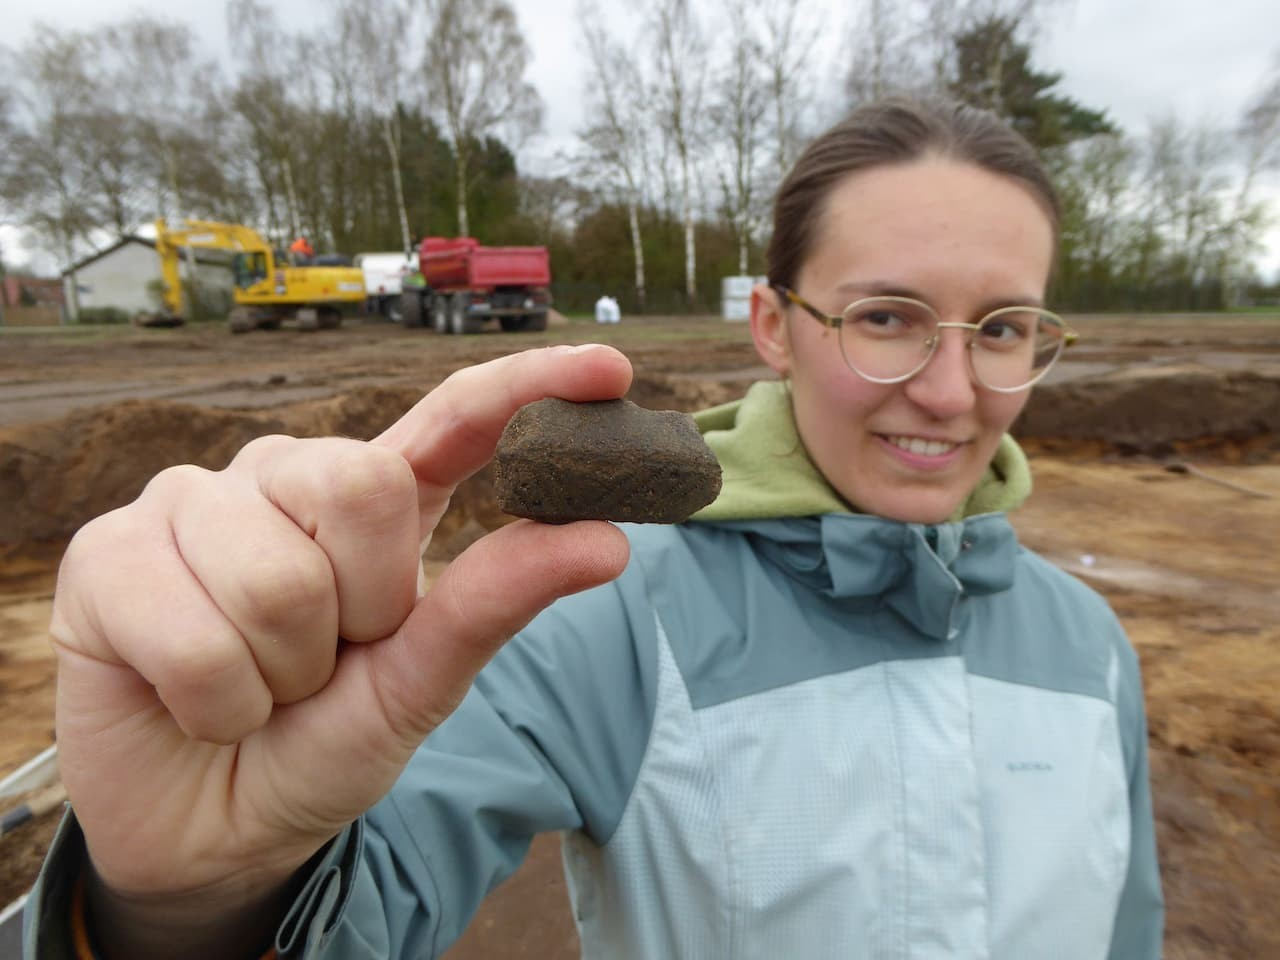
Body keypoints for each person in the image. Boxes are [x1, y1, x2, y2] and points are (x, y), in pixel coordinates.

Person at [26, 97, 1163, 959]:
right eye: (884, 316)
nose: (950, 391)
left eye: (1003, 328)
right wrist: (180, 908)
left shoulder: (1090, 648)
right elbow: (374, 906)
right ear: (771, 325)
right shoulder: (595, 612)